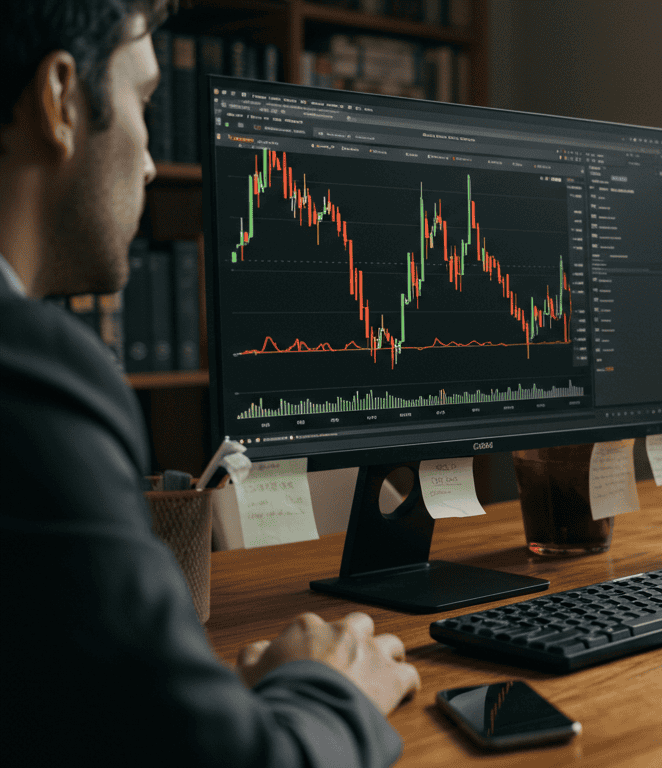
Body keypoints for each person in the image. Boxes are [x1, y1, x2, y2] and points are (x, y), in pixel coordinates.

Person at [0, 2, 419, 764]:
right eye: (146, 102)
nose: (154, 160)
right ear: (60, 98)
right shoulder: (32, 379)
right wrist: (333, 689)